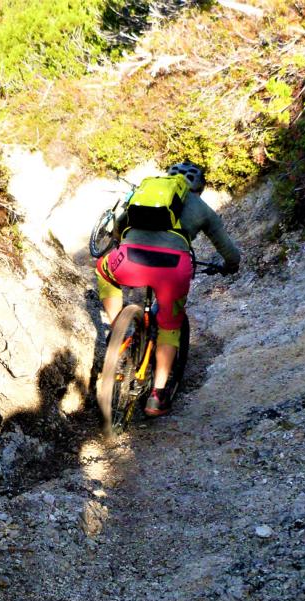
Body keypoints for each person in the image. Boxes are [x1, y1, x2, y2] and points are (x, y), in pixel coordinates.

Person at [95, 161, 242, 416]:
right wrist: (231, 266)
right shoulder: (201, 207)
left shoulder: (146, 192)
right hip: (172, 269)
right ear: (199, 188)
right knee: (169, 326)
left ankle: (118, 329)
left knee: (103, 270)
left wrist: (126, 241)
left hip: (128, 260)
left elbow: (118, 226)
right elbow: (228, 250)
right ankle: (157, 396)